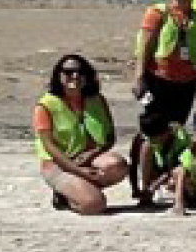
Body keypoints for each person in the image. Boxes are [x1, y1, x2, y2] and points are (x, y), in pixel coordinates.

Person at [33, 53, 128, 216]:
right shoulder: (45, 106)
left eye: (80, 72)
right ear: (59, 76)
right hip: (59, 163)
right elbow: (49, 147)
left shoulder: (97, 100)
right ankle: (69, 195)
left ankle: (80, 189)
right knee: (94, 205)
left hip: (88, 158)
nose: (75, 76)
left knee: (117, 165)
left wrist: (92, 154)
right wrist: (78, 170)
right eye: (68, 72)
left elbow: (110, 137)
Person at [132, 0, 196, 136]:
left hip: (186, 83)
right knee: (153, 124)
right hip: (158, 78)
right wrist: (139, 77)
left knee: (177, 125)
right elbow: (144, 46)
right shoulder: (158, 13)